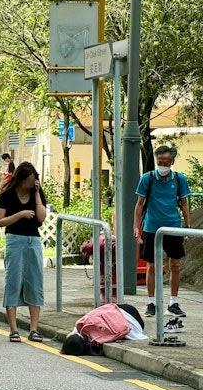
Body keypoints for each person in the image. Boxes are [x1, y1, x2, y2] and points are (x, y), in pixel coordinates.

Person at [133, 145, 191, 318]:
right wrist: (137, 227)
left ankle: (173, 302)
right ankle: (152, 303)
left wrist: (187, 227)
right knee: (152, 266)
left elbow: (184, 204)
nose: (163, 165)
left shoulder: (179, 179)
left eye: (166, 162)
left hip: (173, 226)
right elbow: (140, 204)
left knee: (175, 265)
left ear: (172, 162)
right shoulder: (147, 178)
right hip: (152, 227)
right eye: (160, 162)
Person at [0, 162, 46, 343]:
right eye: (30, 181)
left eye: (35, 181)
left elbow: (41, 217)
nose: (32, 184)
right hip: (14, 239)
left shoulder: (36, 194)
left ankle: (34, 329)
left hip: (34, 240)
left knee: (35, 281)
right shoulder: (7, 195)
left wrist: (38, 194)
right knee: (13, 281)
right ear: (21, 180)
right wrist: (20, 214)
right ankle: (13, 329)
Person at [61, 304, 146, 356]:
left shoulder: (97, 342)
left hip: (136, 325)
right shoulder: (80, 325)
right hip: (120, 309)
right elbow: (70, 336)